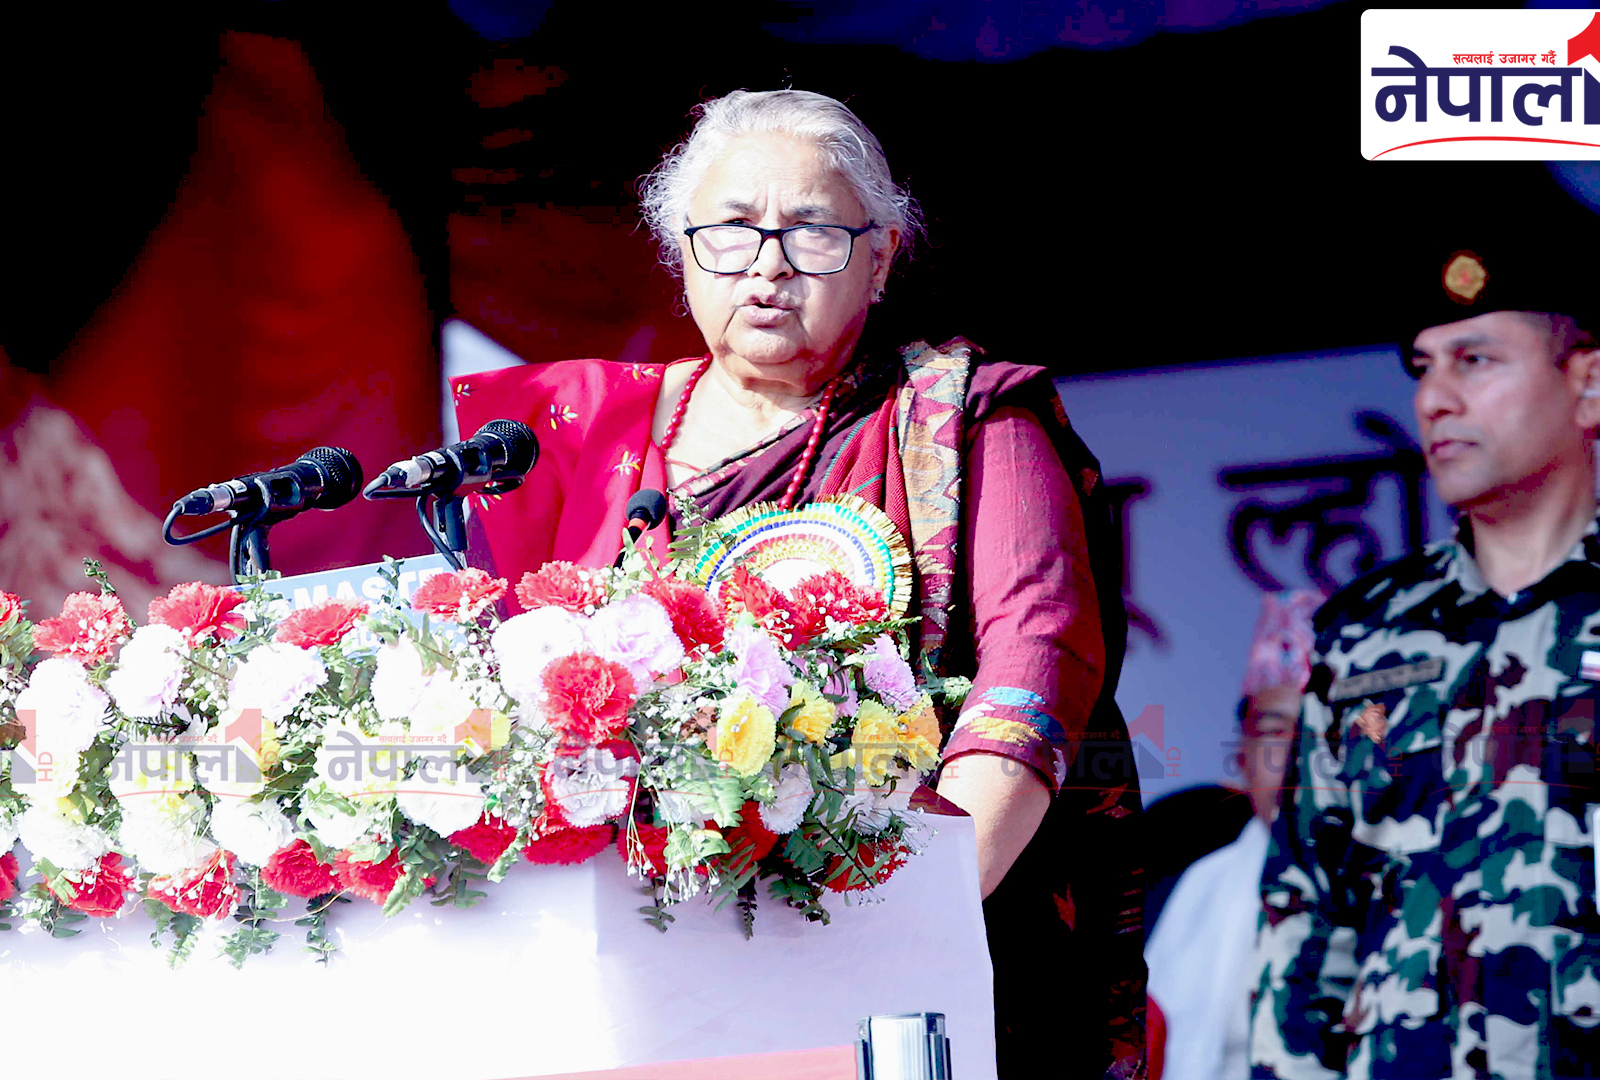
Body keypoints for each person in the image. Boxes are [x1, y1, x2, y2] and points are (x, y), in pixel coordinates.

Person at [453, 89, 1146, 1079]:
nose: (768, 266)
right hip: (645, 982)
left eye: (813, 231)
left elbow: (1036, 664)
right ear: (681, 251)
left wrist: (909, 918)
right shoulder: (585, 438)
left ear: (882, 255)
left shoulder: (962, 422)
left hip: (898, 971)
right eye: (732, 230)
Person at [1252, 248, 1600, 1079]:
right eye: (1423, 367)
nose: (1434, 399)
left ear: (1590, 384)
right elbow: (1306, 921)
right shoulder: (1364, 633)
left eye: (1475, 360)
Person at [1146, 590, 1321, 1080]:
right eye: (1275, 731)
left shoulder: (1397, 887)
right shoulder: (1183, 887)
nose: (1298, 756)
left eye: (1321, 730)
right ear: (1241, 754)